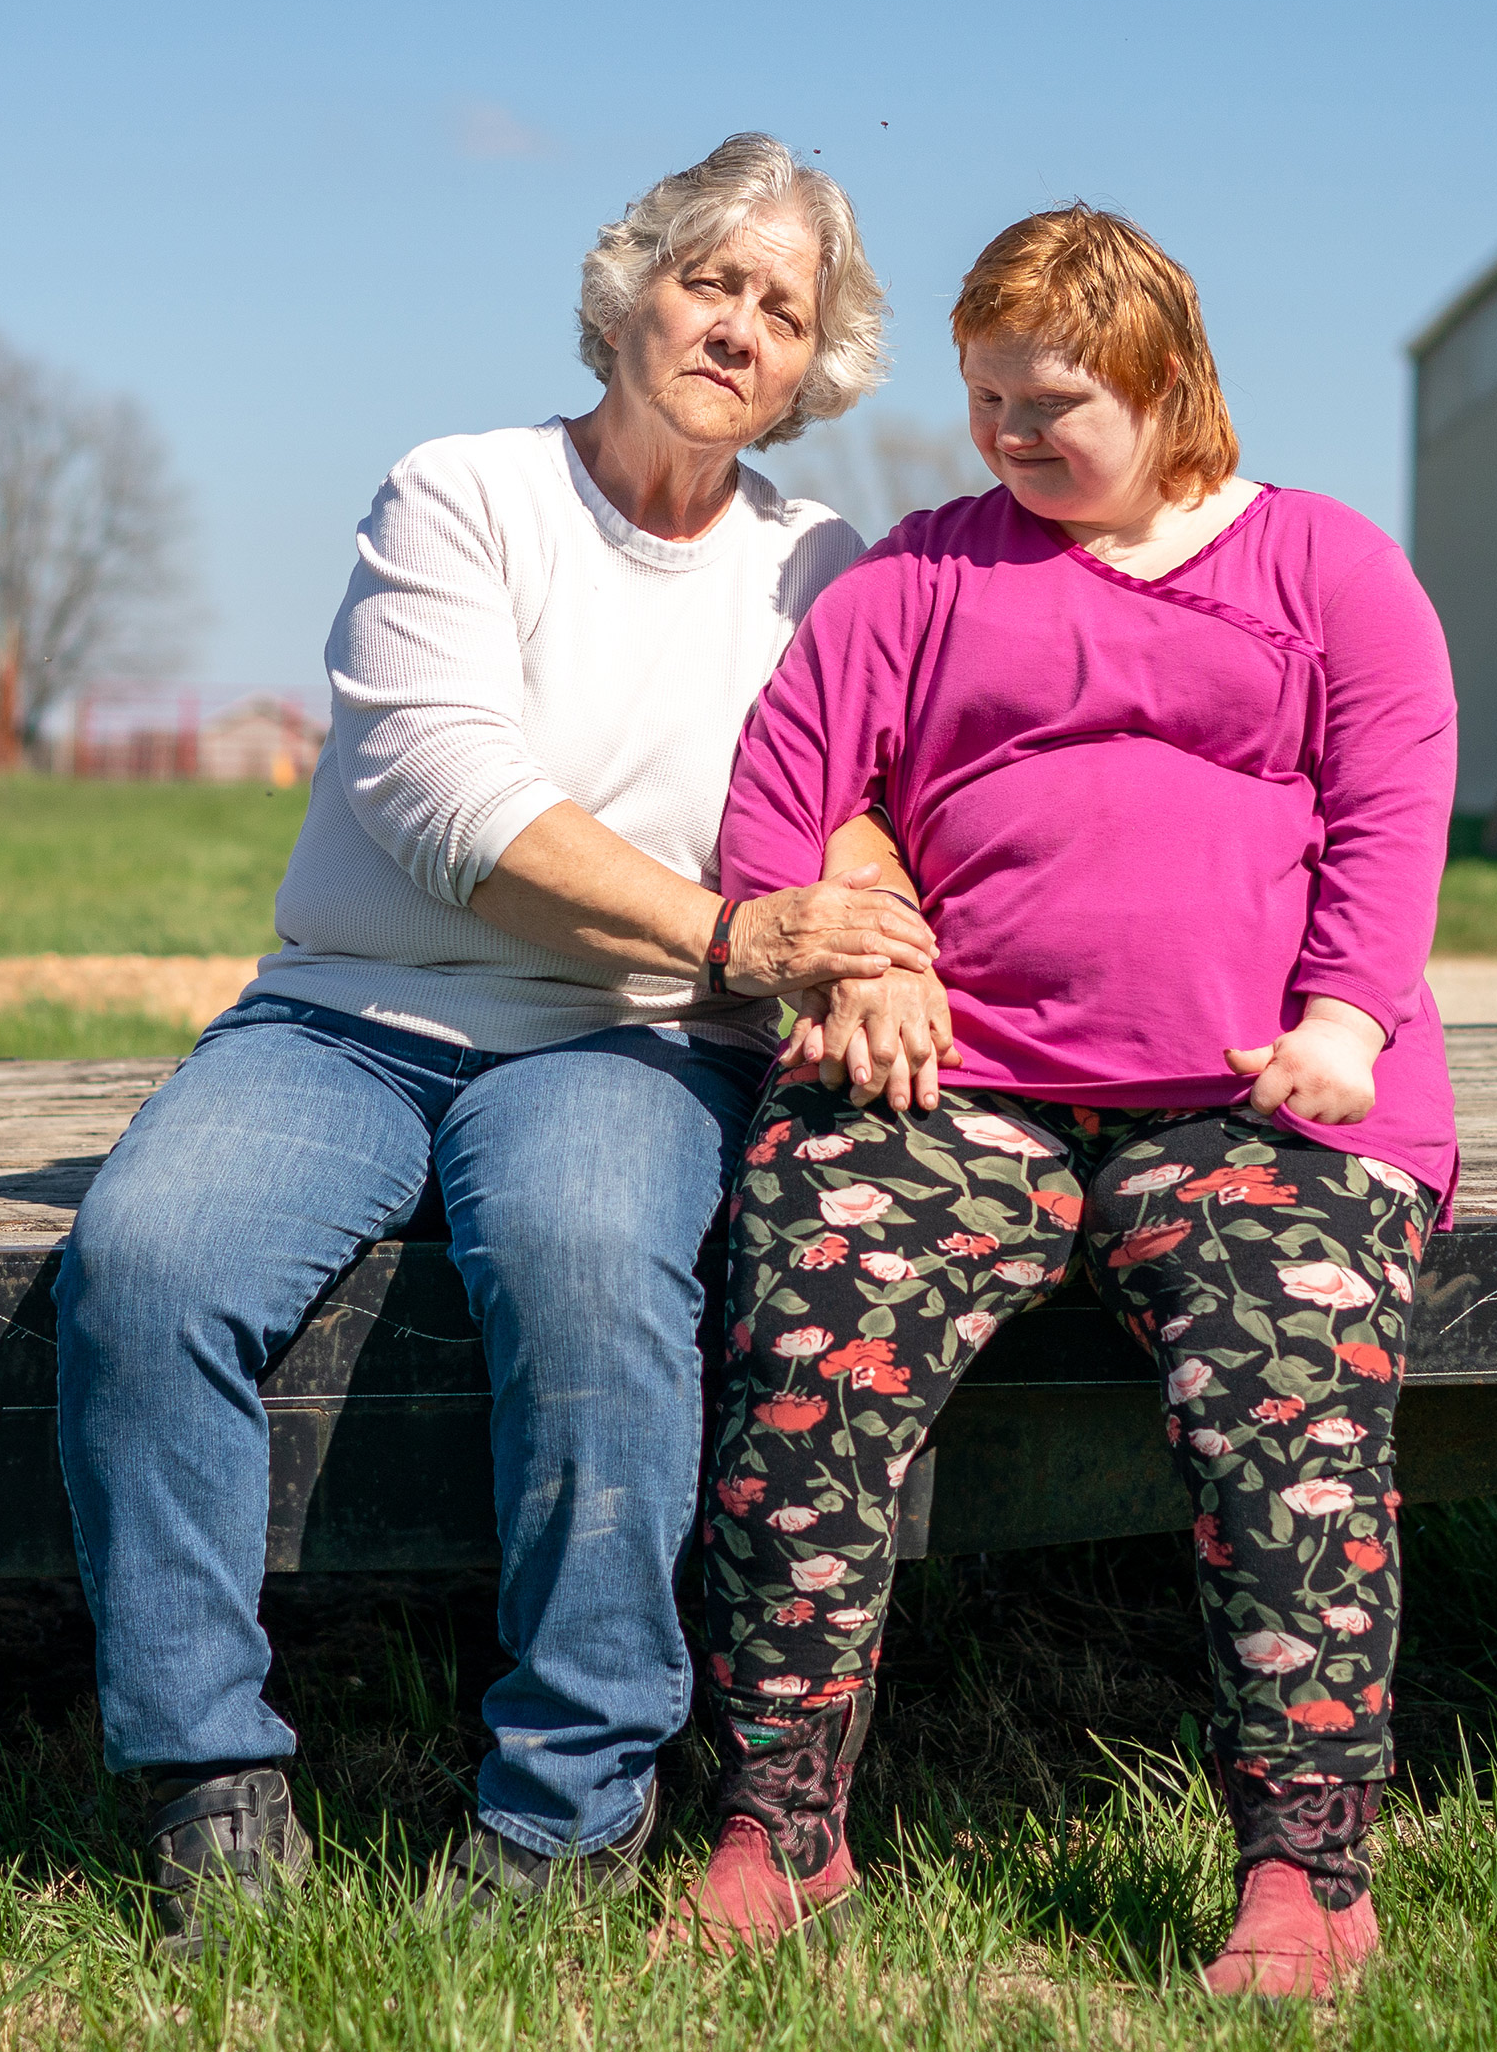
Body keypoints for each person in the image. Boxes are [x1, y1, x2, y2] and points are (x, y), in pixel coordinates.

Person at [55, 133, 935, 1951]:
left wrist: (856, 927)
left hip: (627, 1037)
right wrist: (730, 932)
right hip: (359, 1011)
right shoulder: (462, 490)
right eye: (713, 279)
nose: (737, 326)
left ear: (810, 368)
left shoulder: (822, 562)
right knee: (144, 1262)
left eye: (784, 309)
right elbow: (446, 791)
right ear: (632, 289)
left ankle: (567, 1805)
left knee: (594, 1259)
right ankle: (206, 1779)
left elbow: (862, 791)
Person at [683, 205, 1459, 1998]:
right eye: (988, 397)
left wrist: (1344, 1016)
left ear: (1166, 385)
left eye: (1057, 400)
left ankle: (1310, 1868)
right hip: (974, 1090)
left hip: (1263, 1096)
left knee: (1282, 1402)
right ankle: (782, 1822)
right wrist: (859, 958)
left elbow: (1395, 803)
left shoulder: (1326, 566)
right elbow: (778, 807)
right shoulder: (918, 583)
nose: (1017, 434)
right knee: (810, 1341)